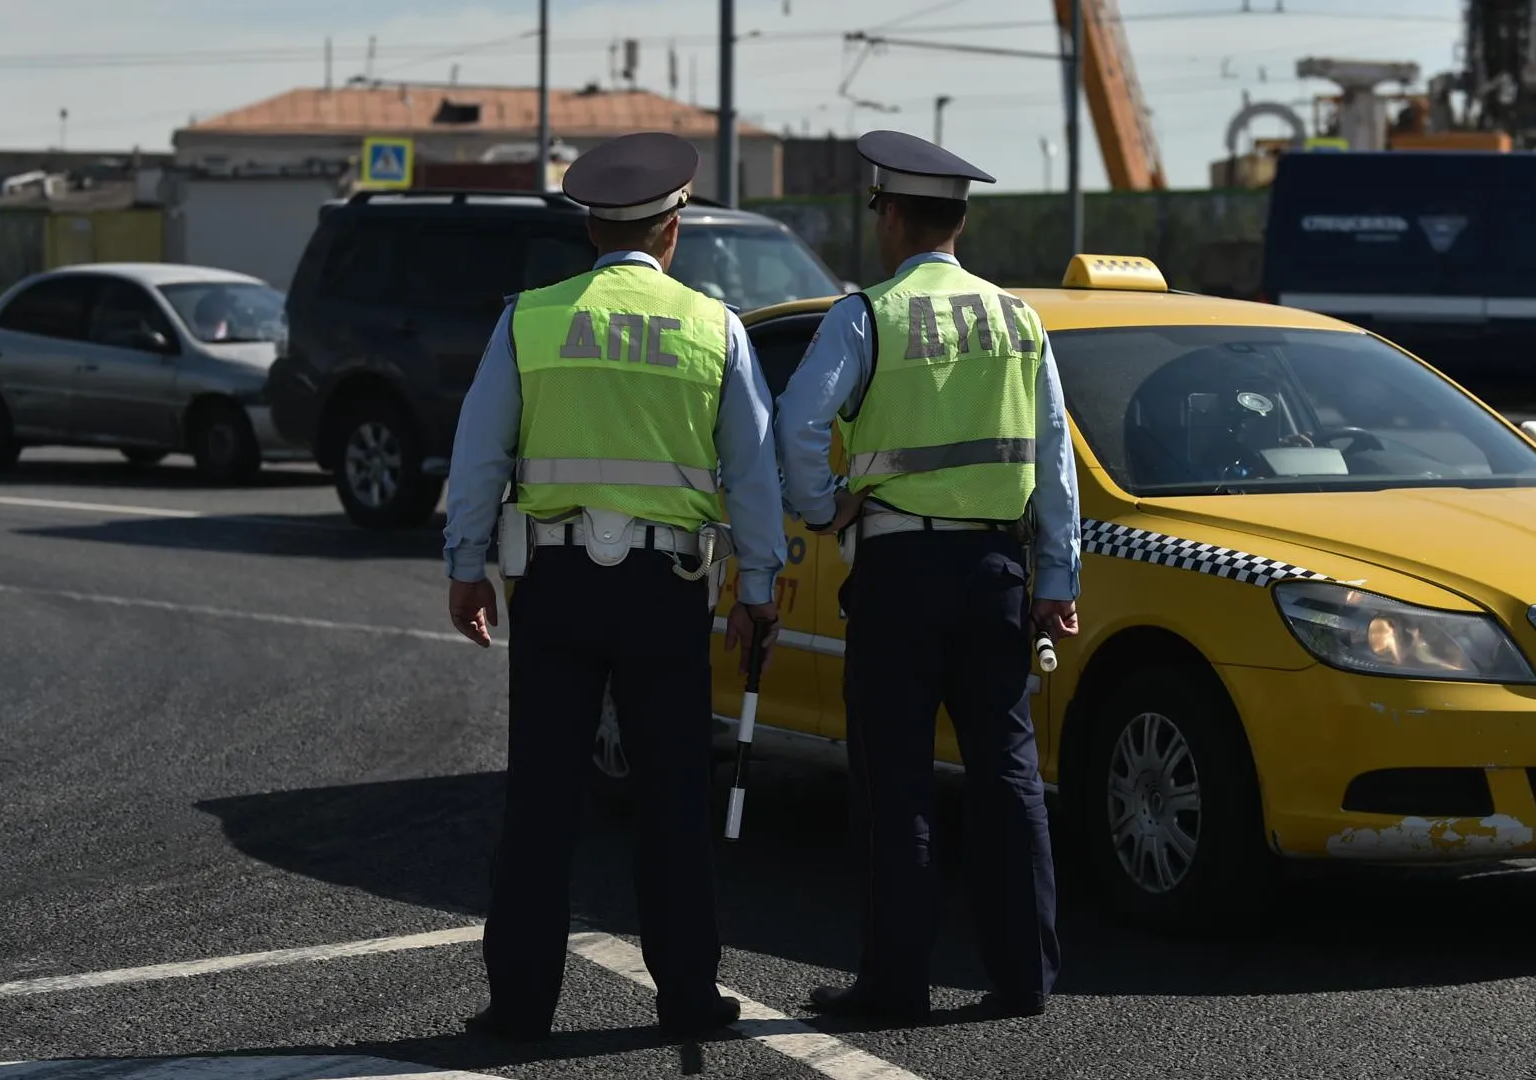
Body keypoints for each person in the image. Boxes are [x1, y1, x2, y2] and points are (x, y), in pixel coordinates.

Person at [441, 130, 787, 1041]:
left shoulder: (530, 319)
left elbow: (479, 454)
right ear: (674, 228)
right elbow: (752, 474)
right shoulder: (715, 327)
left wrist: (465, 565)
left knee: (541, 798)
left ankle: (520, 1003)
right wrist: (760, 586)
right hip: (667, 589)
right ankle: (686, 994)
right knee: (672, 795)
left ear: (590, 228)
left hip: (551, 583)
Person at [774, 129, 1082, 1022]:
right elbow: (1055, 456)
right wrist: (1056, 575)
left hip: (900, 567)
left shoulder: (865, 314)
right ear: (959, 220)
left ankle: (896, 982)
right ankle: (1024, 978)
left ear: (897, 214)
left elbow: (800, 419)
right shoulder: (1020, 318)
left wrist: (824, 504)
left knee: (896, 778)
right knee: (1008, 772)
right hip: (996, 571)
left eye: (880, 212)